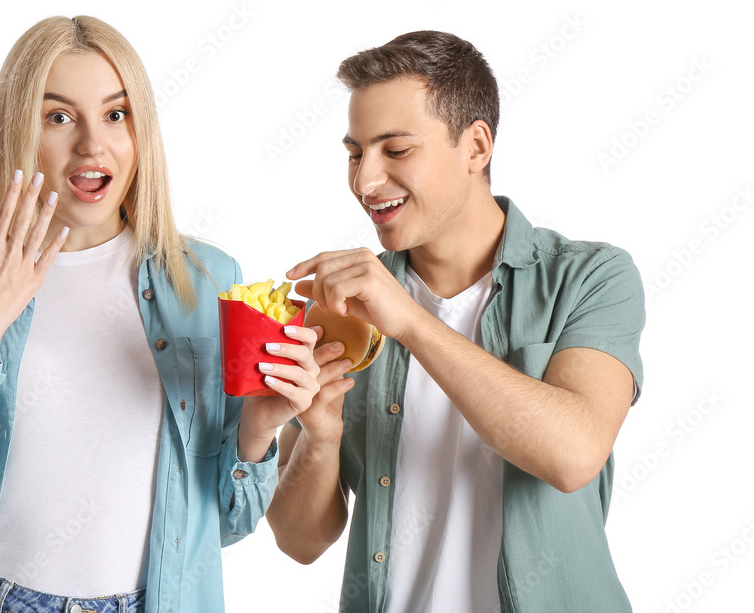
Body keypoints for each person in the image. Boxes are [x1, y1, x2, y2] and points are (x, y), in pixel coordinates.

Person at [0, 15, 321, 613]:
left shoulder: (211, 281)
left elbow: (226, 527)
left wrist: (259, 431)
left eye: (115, 114)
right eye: (58, 117)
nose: (91, 144)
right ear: (17, 134)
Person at [266, 31, 645, 612]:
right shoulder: (342, 306)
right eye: (354, 152)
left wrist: (412, 322)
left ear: (476, 147)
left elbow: (572, 456)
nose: (365, 181)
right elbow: (299, 542)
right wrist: (320, 437)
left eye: (395, 151)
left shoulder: (591, 277)